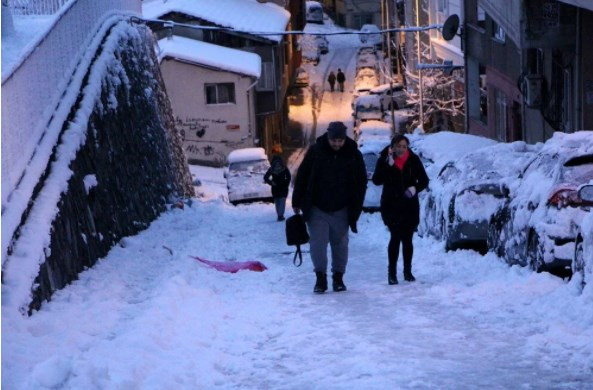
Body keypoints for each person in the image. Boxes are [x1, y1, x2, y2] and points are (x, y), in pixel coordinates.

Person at [292, 121, 367, 293]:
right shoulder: (316, 152)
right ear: (328, 136)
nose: (337, 144)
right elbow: (302, 176)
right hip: (318, 207)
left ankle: (338, 278)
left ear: (344, 139)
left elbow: (361, 182)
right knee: (318, 244)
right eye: (334, 140)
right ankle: (320, 279)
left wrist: (356, 205)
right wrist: (297, 201)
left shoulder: (353, 154)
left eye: (340, 141)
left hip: (342, 208)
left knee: (340, 244)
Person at [372, 134, 428, 285]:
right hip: (391, 205)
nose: (401, 149)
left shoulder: (413, 159)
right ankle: (392, 273)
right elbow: (377, 180)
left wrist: (414, 189)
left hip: (409, 204)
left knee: (408, 239)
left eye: (404, 146)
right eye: (398, 146)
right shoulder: (385, 159)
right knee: (395, 237)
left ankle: (407, 271)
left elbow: (424, 180)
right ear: (393, 147)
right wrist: (387, 165)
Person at [264, 156, 291, 221]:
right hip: (283, 187)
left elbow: (265, 177)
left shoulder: (271, 169)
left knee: (277, 201)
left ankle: (279, 215)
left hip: (275, 187)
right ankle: (280, 215)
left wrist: (271, 183)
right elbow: (289, 177)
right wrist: (286, 183)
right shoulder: (284, 168)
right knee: (282, 201)